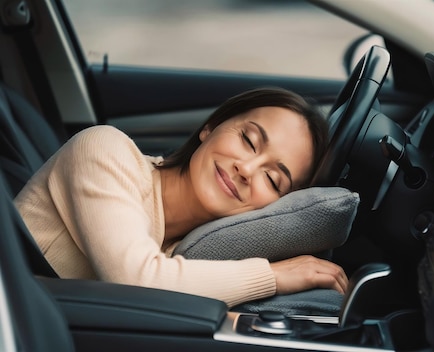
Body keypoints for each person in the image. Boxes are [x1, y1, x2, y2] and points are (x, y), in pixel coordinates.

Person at [14, 87, 348, 307]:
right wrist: (275, 276)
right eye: (248, 139)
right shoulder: (104, 150)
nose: (246, 169)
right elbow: (138, 280)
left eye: (273, 179)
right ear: (210, 126)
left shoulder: (192, 254)